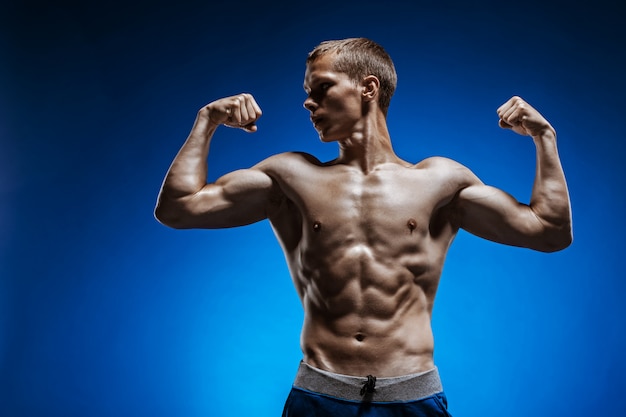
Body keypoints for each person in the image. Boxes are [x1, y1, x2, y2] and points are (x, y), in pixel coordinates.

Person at [154, 37, 572, 416]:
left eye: (322, 88)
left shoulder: (438, 181)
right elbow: (178, 208)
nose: (308, 103)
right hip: (319, 396)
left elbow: (549, 231)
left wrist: (544, 138)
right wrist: (206, 120)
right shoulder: (290, 177)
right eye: (307, 93)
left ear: (368, 89)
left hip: (412, 398)